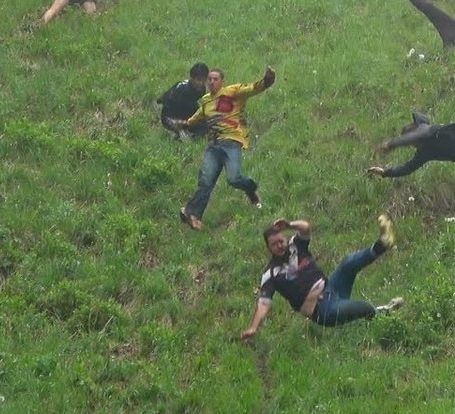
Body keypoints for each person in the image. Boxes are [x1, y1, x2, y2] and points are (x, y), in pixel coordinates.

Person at [239, 215, 403, 338]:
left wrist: (289, 225)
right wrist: (254, 327)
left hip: (332, 287)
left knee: (348, 264)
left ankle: (383, 243)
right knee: (363, 308)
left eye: (280, 241)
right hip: (323, 310)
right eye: (274, 244)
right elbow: (264, 303)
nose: (279, 246)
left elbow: (306, 228)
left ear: (285, 238)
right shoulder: (271, 274)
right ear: (268, 248)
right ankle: (384, 313)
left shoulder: (296, 245)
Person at [172, 66, 276, 230]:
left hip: (231, 142)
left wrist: (267, 80)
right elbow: (196, 118)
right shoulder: (206, 100)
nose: (212, 82)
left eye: (215, 79)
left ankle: (251, 189)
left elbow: (253, 88)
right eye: (209, 79)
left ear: (222, 81)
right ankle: (192, 214)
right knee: (206, 181)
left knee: (233, 178)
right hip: (213, 145)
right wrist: (183, 124)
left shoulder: (233, 91)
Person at [157, 62, 211, 142]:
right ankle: (180, 134)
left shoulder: (201, 89)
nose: (201, 83)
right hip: (170, 117)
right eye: (198, 80)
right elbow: (162, 99)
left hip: (182, 112)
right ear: (191, 78)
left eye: (204, 80)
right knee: (202, 128)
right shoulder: (185, 91)